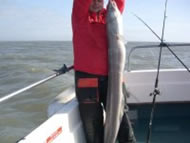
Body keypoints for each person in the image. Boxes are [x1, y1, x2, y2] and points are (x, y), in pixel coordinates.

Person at [72, 0, 136, 143]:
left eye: (99, 0)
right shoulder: (79, 18)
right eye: (92, 0)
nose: (96, 3)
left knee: (125, 129)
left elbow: (118, 4)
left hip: (113, 81)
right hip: (87, 84)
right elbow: (80, 3)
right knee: (94, 135)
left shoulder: (110, 18)